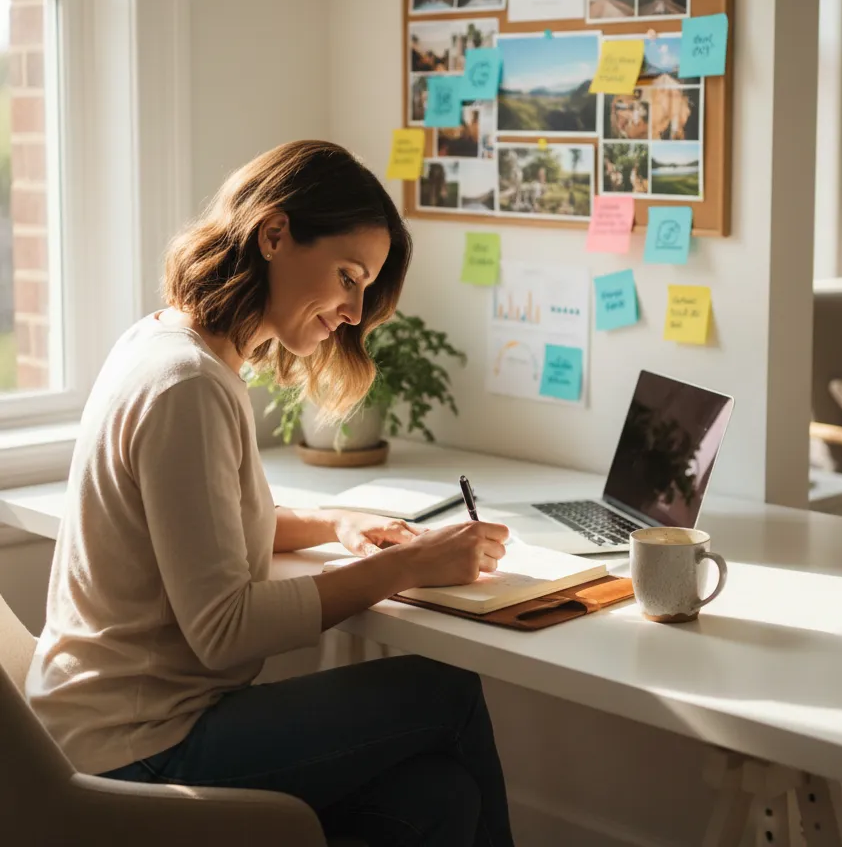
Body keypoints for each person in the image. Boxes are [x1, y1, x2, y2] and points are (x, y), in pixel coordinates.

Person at [26, 140, 515, 847]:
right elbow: (225, 630)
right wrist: (404, 567)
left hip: (112, 728)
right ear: (275, 234)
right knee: (446, 694)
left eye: (364, 289)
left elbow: (201, 531)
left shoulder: (167, 344)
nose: (353, 311)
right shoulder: (188, 386)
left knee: (437, 796)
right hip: (136, 747)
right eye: (349, 277)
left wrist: (336, 523)